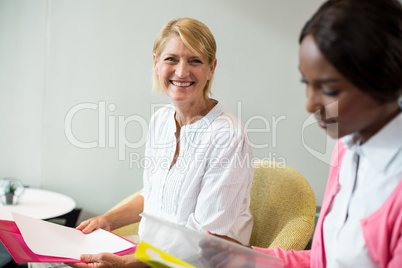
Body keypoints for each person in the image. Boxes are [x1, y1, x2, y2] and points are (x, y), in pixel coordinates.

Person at [202, 0, 402, 267]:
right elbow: (327, 260)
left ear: (387, 79)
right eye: (306, 83)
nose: (309, 104)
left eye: (329, 89)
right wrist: (249, 258)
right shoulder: (348, 148)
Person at [70, 17, 254, 267]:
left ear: (211, 68)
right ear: (156, 63)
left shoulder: (227, 134)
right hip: (149, 254)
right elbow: (154, 197)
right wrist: (107, 220)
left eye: (195, 61)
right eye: (171, 59)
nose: (181, 72)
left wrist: (127, 264)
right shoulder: (160, 121)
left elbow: (205, 239)